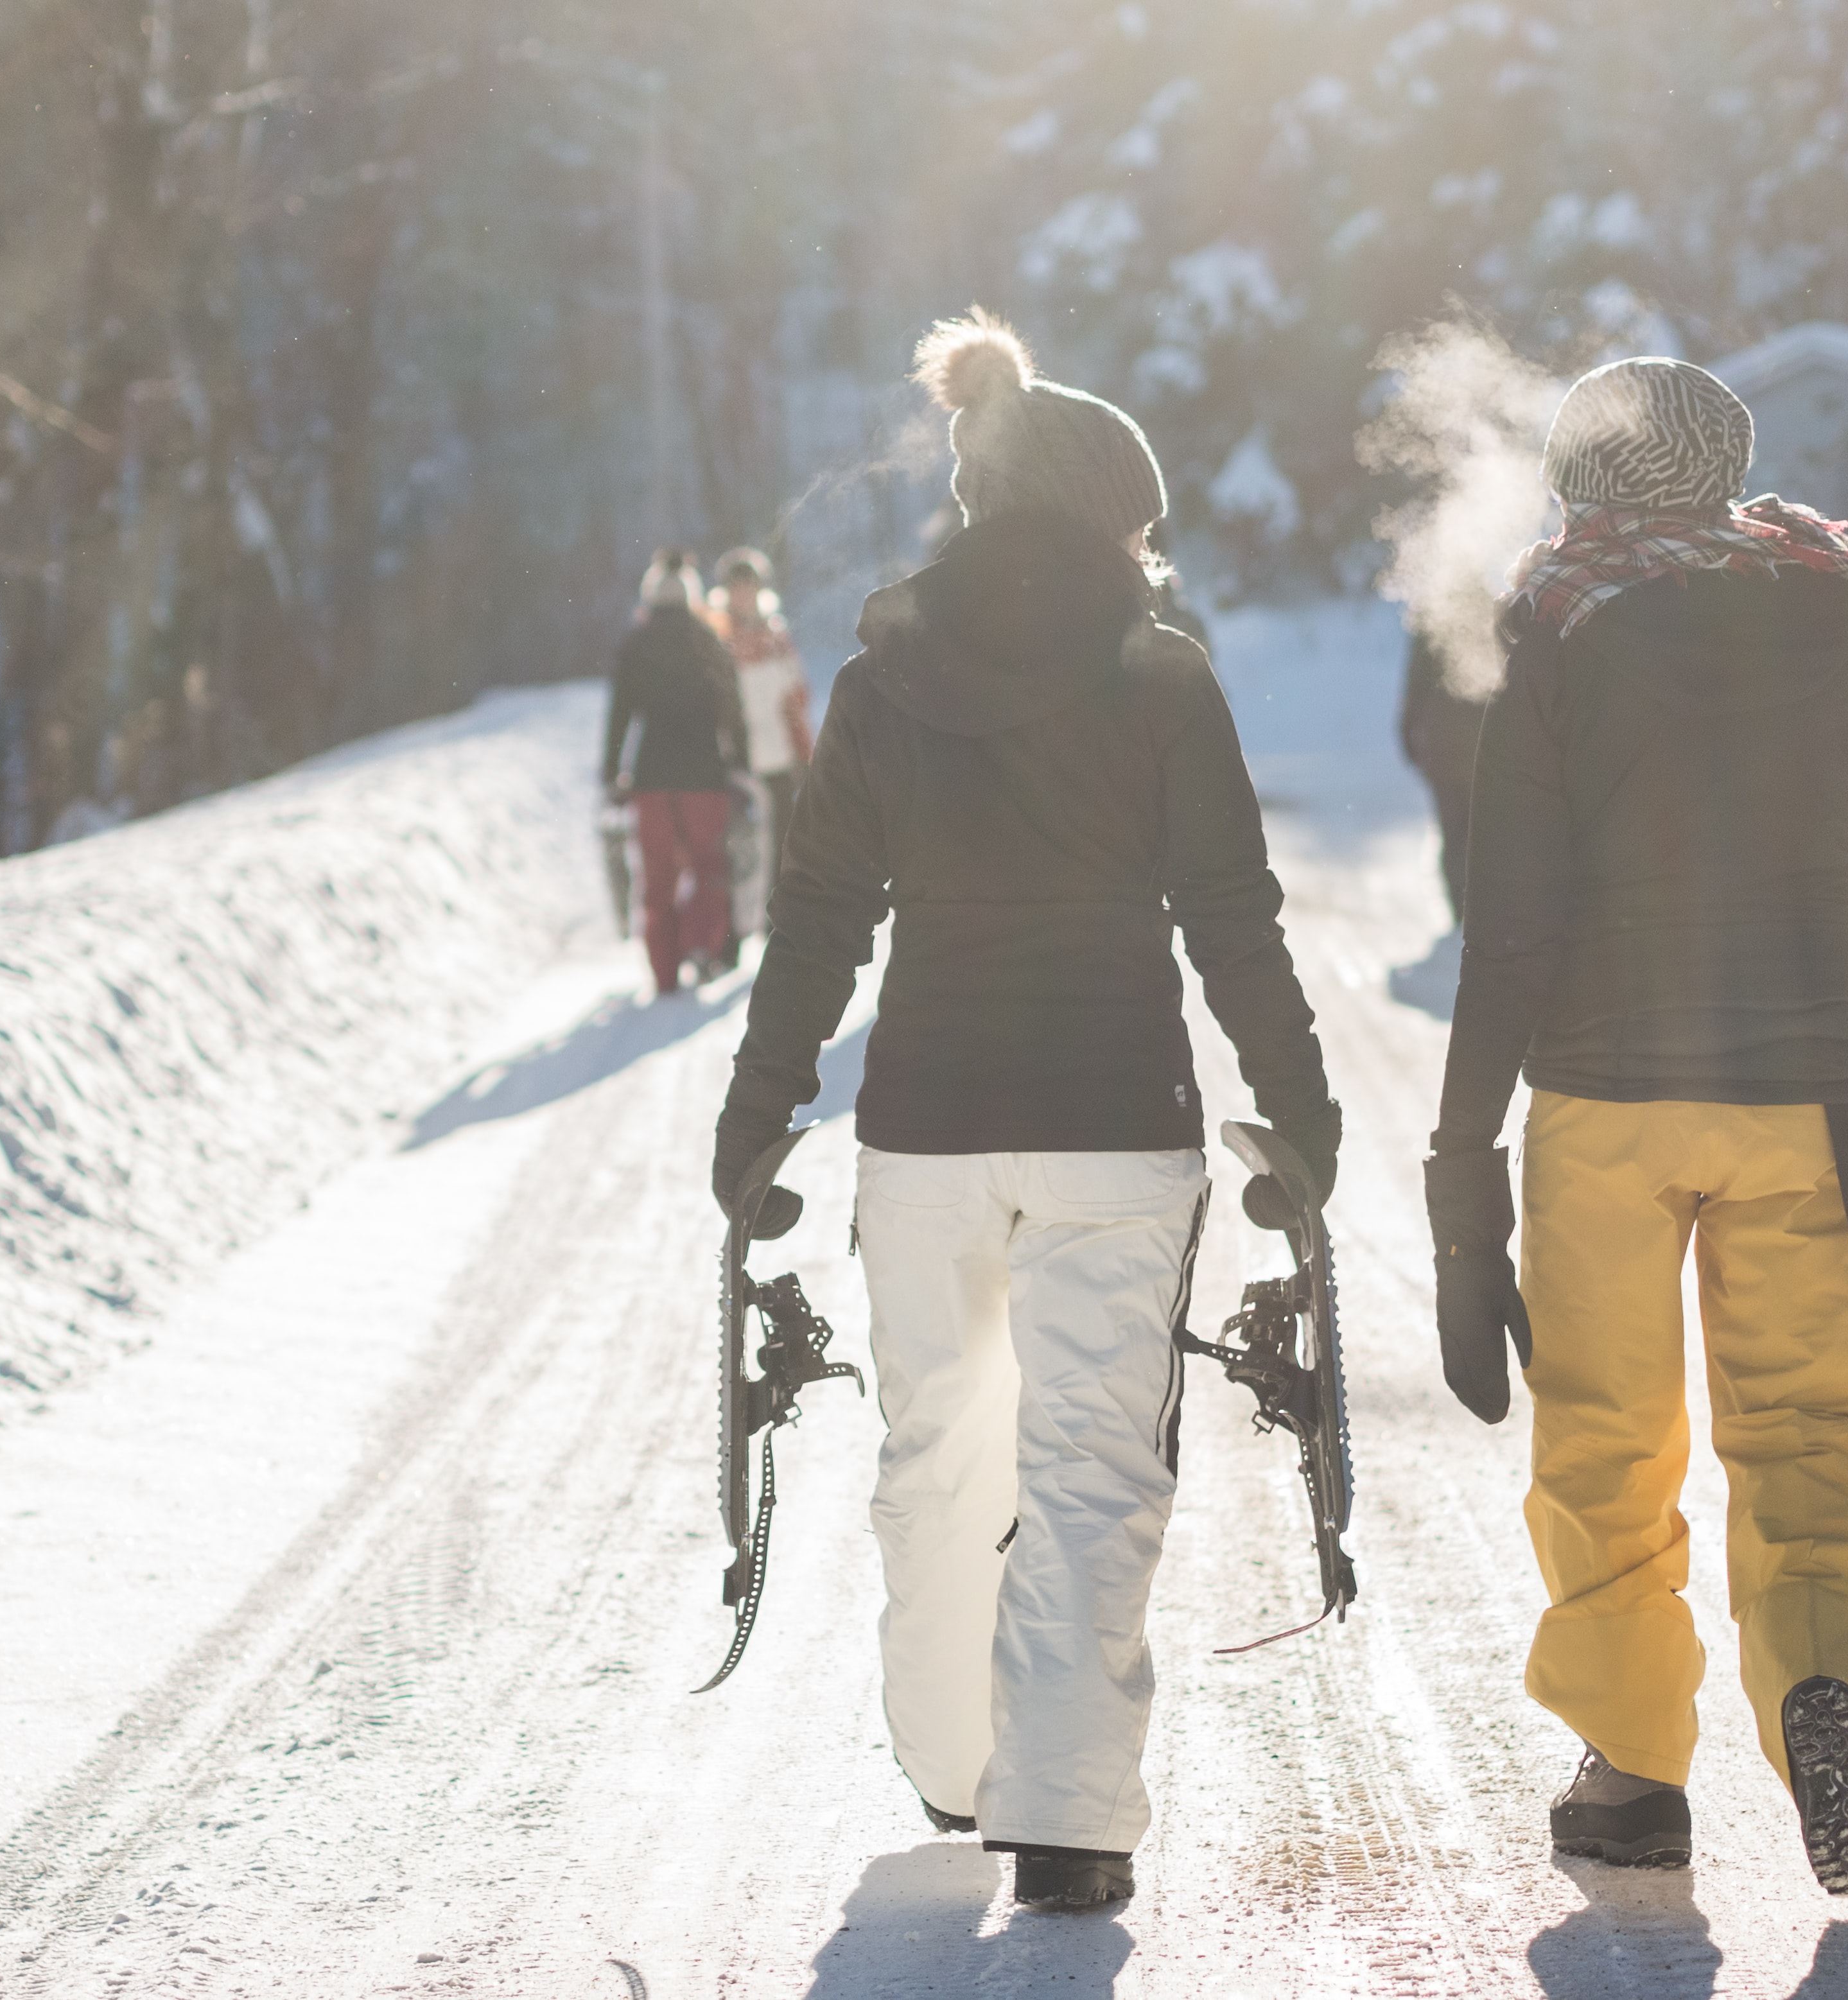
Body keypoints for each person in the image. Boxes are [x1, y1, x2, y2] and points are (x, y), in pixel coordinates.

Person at [711, 310, 1337, 1915]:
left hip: (924, 1125)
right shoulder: (1161, 677)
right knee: (1088, 1462)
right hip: (1117, 1123)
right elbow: (1230, 913)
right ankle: (1063, 1820)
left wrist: (758, 1110)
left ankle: (950, 1762)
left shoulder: (879, 677)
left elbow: (821, 915)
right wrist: (1299, 1105)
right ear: (1110, 516)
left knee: (935, 1452)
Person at [1420, 358, 1848, 1895]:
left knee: (1607, 1434)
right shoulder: (1846, 610)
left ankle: (1628, 1773)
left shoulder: (1556, 618)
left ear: (1581, 477)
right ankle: (1828, 1688)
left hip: (1608, 1099)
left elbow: (1516, 925)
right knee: (1810, 1430)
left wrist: (1459, 1162)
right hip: (1814, 1094)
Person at [603, 548, 748, 994]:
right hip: (706, 776)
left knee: (658, 877)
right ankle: (702, 946)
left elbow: (620, 715)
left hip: (651, 779)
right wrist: (740, 765)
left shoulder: (635, 643)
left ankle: (664, 972)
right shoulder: (709, 638)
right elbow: (733, 710)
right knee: (708, 867)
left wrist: (612, 773)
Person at [711, 545, 817, 892]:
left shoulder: (777, 638)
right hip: (737, 767)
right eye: (736, 587)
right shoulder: (716, 641)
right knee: (738, 861)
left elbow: (797, 701)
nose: (744, 595)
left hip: (780, 764)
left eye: (749, 586)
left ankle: (776, 933)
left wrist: (807, 756)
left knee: (782, 858)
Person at [1397, 630, 1488, 932]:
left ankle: (1460, 907)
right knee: (1482, 831)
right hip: (1480, 742)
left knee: (1453, 831)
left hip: (1441, 743)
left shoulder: (1432, 620)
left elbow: (1415, 684)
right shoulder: (1490, 609)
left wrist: (1409, 736)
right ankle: (1478, 907)